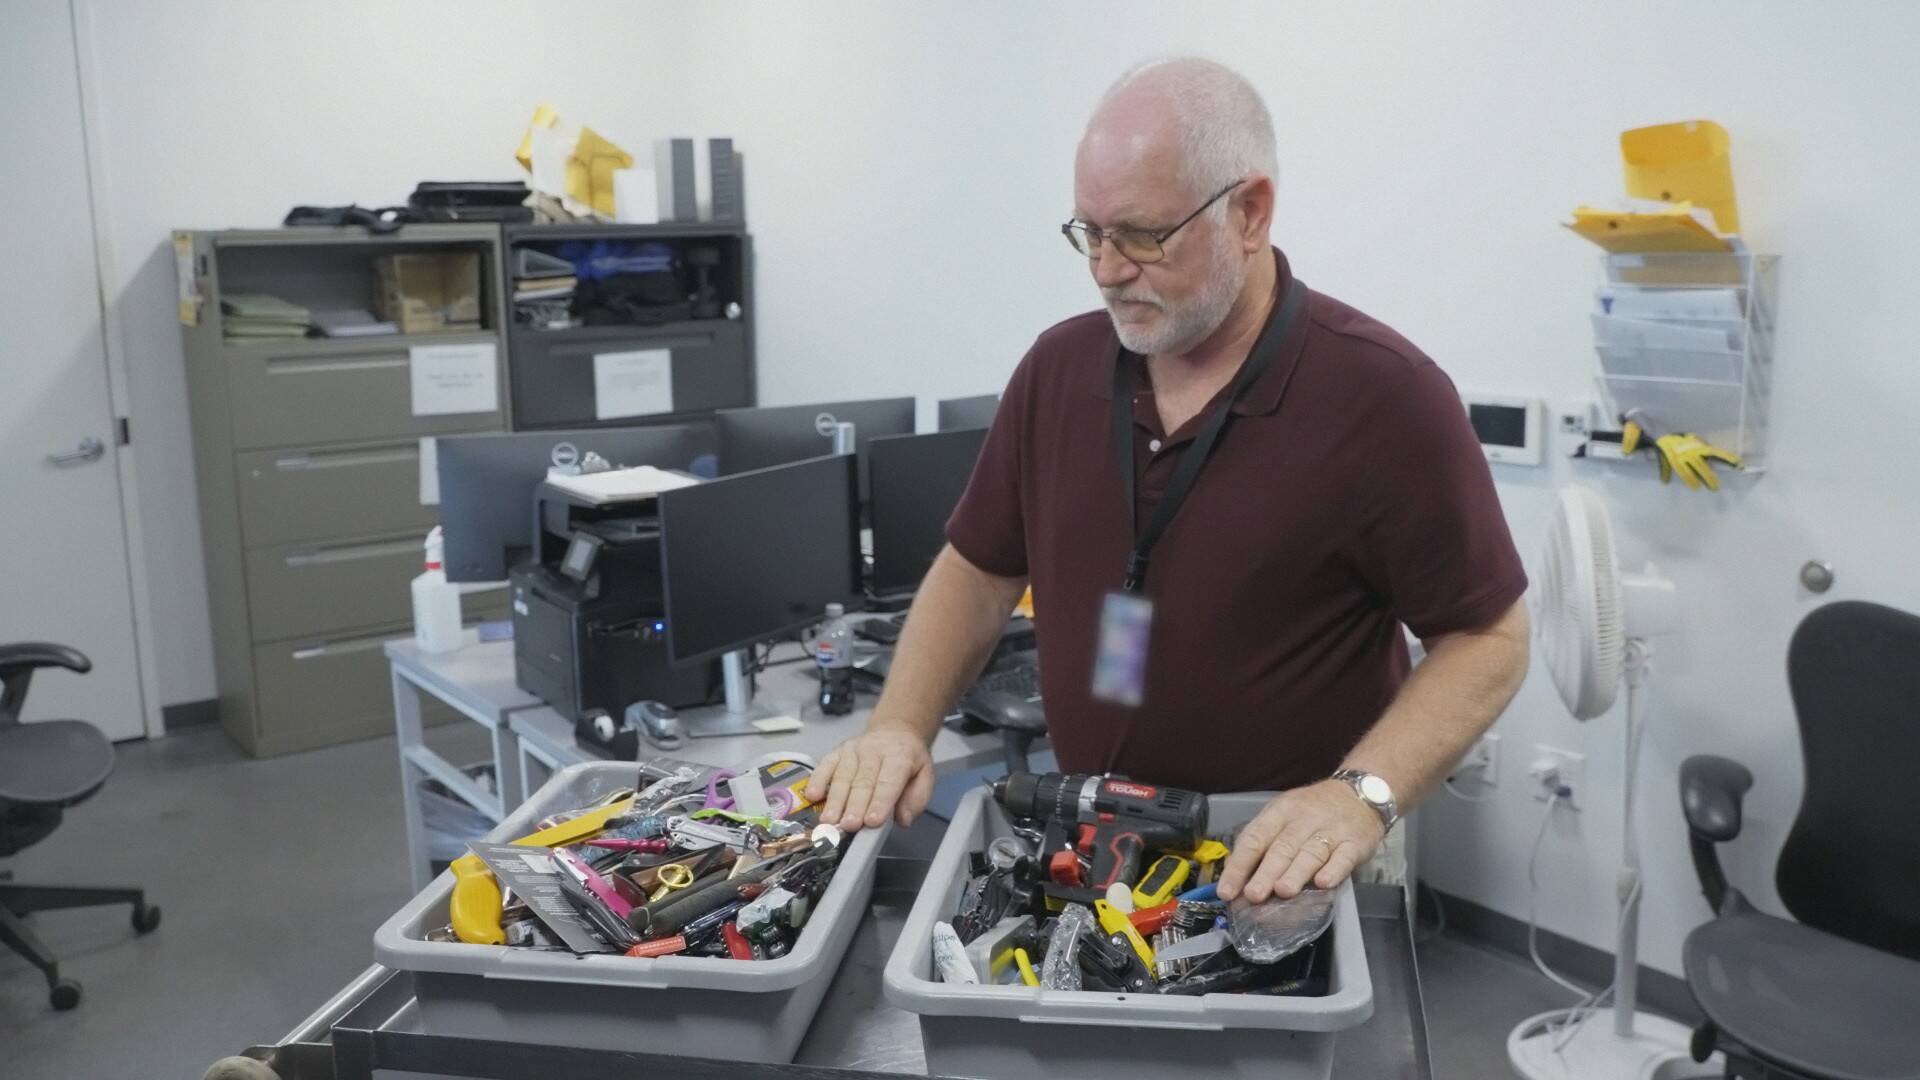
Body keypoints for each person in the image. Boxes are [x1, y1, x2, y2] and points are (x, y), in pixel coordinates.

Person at [806, 57, 1530, 904]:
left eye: (1144, 235)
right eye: (1089, 232)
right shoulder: (1056, 369)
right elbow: (979, 569)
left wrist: (1359, 795)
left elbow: (1489, 640)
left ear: (1250, 213)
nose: (1108, 269)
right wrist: (900, 726)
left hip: (1286, 861)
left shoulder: (1384, 396)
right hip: (1096, 842)